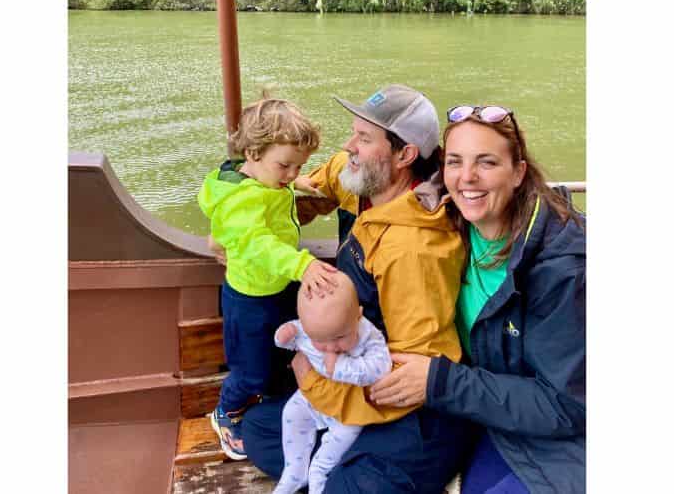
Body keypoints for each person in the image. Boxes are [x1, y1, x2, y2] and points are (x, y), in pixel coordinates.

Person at [242, 84, 479, 492]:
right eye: (354, 132)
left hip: (411, 405)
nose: (348, 145)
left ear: (404, 155)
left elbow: (411, 375)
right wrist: (242, 230)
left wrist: (312, 380)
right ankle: (345, 458)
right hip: (351, 366)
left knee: (343, 485)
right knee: (259, 429)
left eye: (364, 139)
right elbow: (295, 193)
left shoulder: (414, 248)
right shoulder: (360, 178)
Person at [367, 104, 586, 494]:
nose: (467, 178)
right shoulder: (450, 227)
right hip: (489, 413)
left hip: (560, 438)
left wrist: (440, 383)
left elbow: (567, 405)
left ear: (518, 172)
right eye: (455, 162)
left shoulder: (562, 270)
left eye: (486, 162)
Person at [197, 96, 341, 461]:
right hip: (250, 298)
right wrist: (301, 266)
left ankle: (267, 398)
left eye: (298, 166)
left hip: (272, 288)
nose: (291, 174)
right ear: (253, 152)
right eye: (286, 166)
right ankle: (225, 414)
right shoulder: (240, 201)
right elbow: (257, 243)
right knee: (250, 369)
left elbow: (276, 189)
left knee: (278, 352)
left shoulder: (266, 180)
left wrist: (299, 184)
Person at [272, 272, 392, 494]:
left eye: (339, 338)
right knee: (291, 412)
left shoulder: (368, 336)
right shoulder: (314, 328)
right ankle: (294, 473)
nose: (330, 348)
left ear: (358, 316)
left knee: (322, 465)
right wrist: (284, 336)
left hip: (348, 411)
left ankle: (317, 482)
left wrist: (341, 367)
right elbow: (296, 337)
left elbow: (381, 367)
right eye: (320, 340)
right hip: (315, 397)